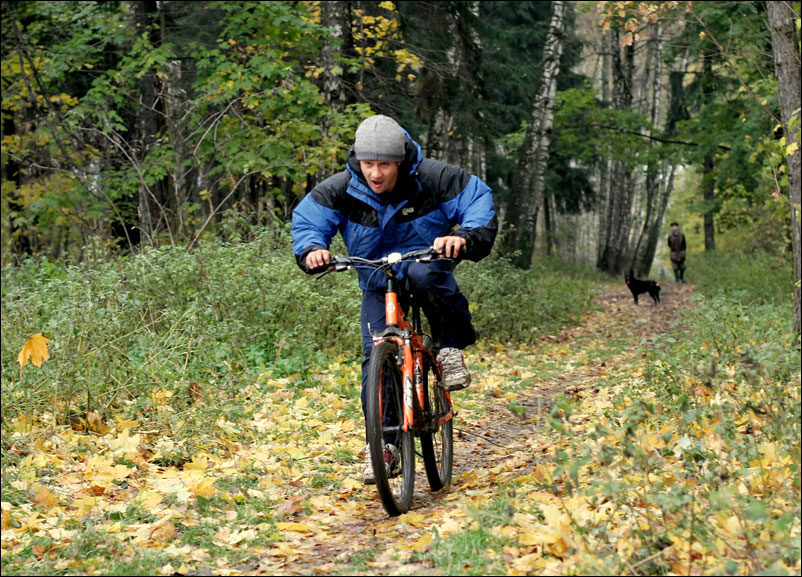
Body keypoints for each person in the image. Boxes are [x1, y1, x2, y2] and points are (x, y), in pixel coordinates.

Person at [291, 114, 497, 483]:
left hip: (423, 264)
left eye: (384, 164)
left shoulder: (435, 178)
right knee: (376, 357)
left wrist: (463, 235)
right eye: (369, 164)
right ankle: (385, 445)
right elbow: (309, 220)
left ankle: (449, 347)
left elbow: (477, 201)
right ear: (358, 160)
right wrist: (312, 248)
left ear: (400, 161)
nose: (375, 173)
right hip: (375, 277)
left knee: (424, 275)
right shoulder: (342, 188)